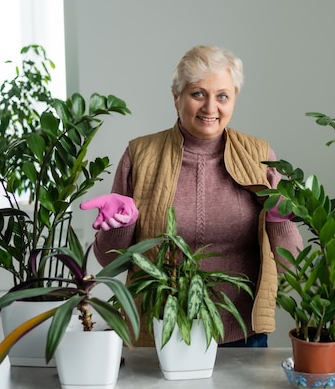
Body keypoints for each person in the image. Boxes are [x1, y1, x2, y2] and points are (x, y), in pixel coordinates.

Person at [80, 45, 303, 347]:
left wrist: (279, 220)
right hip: (159, 328)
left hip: (241, 334)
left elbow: (291, 265)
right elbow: (109, 261)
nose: (210, 108)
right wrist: (122, 226)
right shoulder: (140, 155)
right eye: (198, 93)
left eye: (222, 96)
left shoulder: (259, 156)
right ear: (176, 97)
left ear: (234, 99)